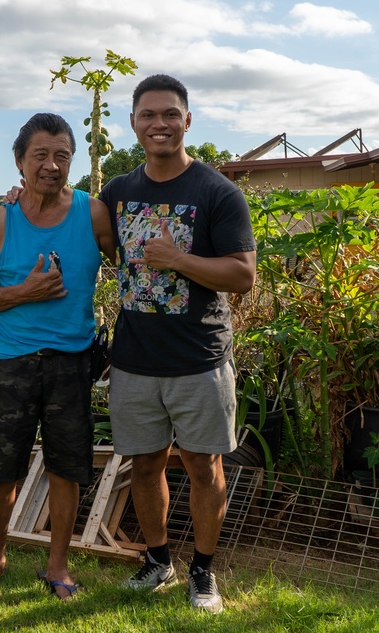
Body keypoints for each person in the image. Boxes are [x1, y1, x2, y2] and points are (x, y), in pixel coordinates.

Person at [100, 74, 256, 614]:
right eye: (149, 115)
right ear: (134, 123)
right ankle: (158, 560)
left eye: (170, 114)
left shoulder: (216, 192)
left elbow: (242, 275)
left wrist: (178, 260)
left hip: (198, 361)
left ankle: (204, 572)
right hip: (135, 360)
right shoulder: (118, 192)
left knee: (203, 467)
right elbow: (78, 229)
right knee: (143, 467)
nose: (159, 124)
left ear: (187, 121)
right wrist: (23, 194)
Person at [0, 112, 115, 601]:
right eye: (40, 155)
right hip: (13, 361)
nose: (52, 165)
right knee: (0, 466)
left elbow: (128, 264)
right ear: (19, 161)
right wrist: (25, 292)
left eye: (62, 156)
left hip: (72, 362)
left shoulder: (93, 213)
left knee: (66, 467)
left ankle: (58, 566)